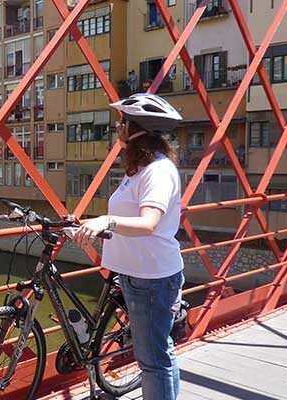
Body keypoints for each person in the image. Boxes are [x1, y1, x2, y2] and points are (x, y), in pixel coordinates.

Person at [73, 93, 185, 400]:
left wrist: (106, 221)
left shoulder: (157, 171)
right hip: (139, 274)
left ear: (135, 129)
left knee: (153, 361)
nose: (117, 128)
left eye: (121, 122)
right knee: (159, 353)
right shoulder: (142, 168)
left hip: (151, 278)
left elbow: (149, 223)